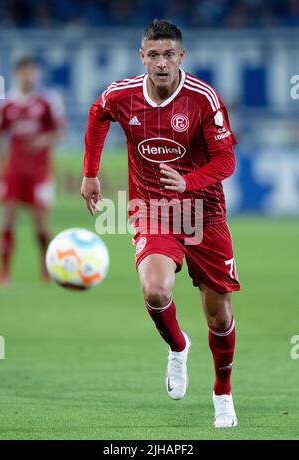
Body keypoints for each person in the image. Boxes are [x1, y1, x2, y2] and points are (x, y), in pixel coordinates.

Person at [81, 19, 240, 428]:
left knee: (219, 316)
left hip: (205, 213)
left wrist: (189, 180)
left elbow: (227, 161)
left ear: (181, 56)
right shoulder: (123, 95)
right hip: (153, 210)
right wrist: (91, 173)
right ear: (142, 57)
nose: (161, 62)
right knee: (155, 291)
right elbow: (98, 113)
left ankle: (222, 394)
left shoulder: (203, 99)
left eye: (169, 54)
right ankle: (178, 346)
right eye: (153, 54)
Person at [0, 57, 66, 284]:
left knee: (41, 223)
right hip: (14, 171)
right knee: (8, 219)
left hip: (39, 171)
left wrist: (42, 140)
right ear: (17, 74)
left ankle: (46, 269)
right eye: (26, 72)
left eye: (33, 72)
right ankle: (5, 271)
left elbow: (60, 131)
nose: (30, 76)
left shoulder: (47, 101)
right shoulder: (7, 103)